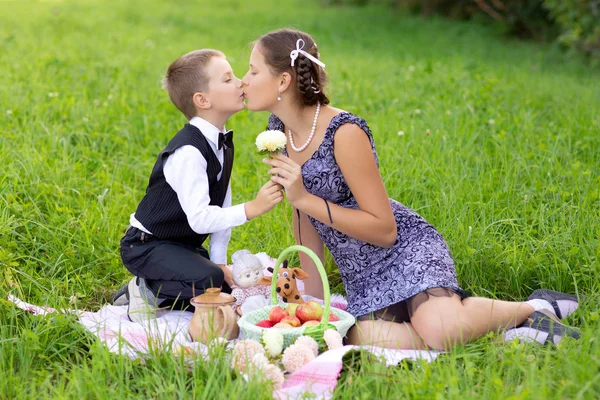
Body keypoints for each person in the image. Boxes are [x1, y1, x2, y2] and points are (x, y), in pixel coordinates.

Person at [241, 28, 582, 349]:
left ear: (283, 80)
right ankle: (503, 333)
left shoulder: (344, 132)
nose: (244, 80)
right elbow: (304, 220)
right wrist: (310, 307)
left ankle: (533, 307)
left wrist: (303, 198)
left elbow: (385, 230)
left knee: (440, 330)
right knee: (349, 334)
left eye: (252, 71)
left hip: (404, 249)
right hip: (361, 272)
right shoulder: (279, 131)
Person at [114, 49, 283, 322]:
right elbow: (201, 219)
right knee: (209, 279)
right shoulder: (189, 152)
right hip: (145, 246)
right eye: (228, 79)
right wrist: (252, 208)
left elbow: (221, 206)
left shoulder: (221, 142)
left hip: (179, 245)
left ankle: (167, 288)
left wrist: (219, 260)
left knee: (223, 283)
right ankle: (144, 288)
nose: (240, 82)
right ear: (202, 100)